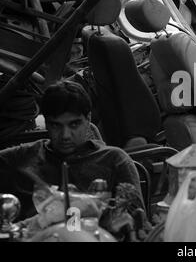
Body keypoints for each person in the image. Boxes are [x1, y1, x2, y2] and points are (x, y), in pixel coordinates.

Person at [0, 80, 143, 220]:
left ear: (88, 119)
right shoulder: (21, 158)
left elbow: (136, 220)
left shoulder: (114, 160)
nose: (65, 135)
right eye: (56, 125)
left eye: (74, 124)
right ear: (46, 124)